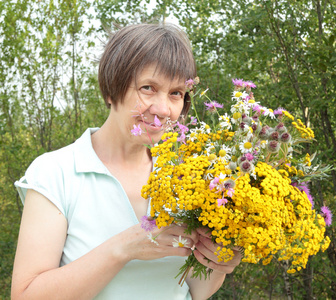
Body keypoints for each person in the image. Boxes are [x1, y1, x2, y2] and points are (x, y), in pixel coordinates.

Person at [12, 23, 241, 300]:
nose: (162, 110)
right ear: (111, 90)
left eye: (176, 93)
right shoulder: (55, 172)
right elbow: (26, 295)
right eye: (148, 87)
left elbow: (197, 289)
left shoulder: (189, 177)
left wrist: (217, 264)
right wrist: (124, 249)